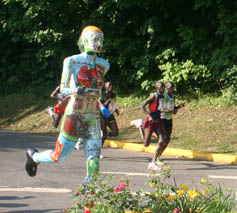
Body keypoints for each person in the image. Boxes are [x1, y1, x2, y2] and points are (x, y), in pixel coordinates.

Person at [25, 26, 110, 184]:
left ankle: (89, 198)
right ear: (84, 41)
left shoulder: (104, 64)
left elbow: (97, 88)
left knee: (94, 161)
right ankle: (34, 157)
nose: (98, 43)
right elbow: (63, 89)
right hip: (75, 112)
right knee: (59, 156)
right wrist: (75, 90)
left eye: (101, 40)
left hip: (92, 115)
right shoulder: (72, 60)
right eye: (94, 39)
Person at [154, 81, 185, 164]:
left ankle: (159, 156)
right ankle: (156, 158)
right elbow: (161, 109)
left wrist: (179, 107)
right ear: (166, 87)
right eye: (170, 87)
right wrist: (171, 111)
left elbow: (172, 108)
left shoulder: (172, 96)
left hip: (169, 119)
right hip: (162, 118)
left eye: (173, 87)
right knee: (163, 139)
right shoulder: (163, 96)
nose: (172, 89)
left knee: (167, 140)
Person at [140, 82, 166, 171]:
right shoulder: (153, 96)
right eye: (161, 87)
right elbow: (142, 105)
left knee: (162, 140)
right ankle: (139, 126)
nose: (163, 88)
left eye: (163, 87)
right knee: (146, 144)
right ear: (157, 88)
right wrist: (149, 116)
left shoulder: (163, 97)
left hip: (158, 120)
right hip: (151, 120)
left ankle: (153, 161)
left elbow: (161, 108)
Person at [99, 81, 119, 157]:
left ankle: (104, 136)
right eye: (109, 85)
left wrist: (116, 110)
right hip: (103, 115)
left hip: (110, 115)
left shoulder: (114, 95)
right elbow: (100, 105)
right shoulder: (102, 94)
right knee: (103, 134)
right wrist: (106, 103)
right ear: (105, 87)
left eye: (111, 85)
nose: (111, 86)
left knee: (115, 132)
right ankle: (98, 152)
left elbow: (113, 104)